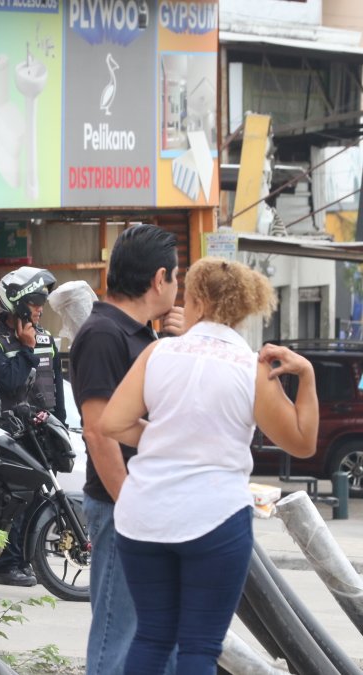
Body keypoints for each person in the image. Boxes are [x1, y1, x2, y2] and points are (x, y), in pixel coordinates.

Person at [100, 257, 318, 674]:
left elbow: (113, 422)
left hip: (144, 514)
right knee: (200, 646)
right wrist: (305, 375)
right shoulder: (252, 369)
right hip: (215, 517)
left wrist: (169, 439)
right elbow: (302, 442)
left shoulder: (158, 352)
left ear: (196, 300)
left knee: (151, 635)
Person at [69, 224, 185, 675]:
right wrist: (130, 503)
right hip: (124, 508)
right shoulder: (103, 334)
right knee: (118, 634)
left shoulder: (143, 334)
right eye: (176, 278)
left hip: (150, 504)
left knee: (158, 634)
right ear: (159, 279)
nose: (177, 288)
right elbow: (99, 431)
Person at [0, 266, 65, 587]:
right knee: (15, 500)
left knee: (41, 498)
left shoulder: (47, 340)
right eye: (35, 301)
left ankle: (26, 562)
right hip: (11, 432)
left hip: (43, 432)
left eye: (42, 301)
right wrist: (25, 349)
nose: (41, 308)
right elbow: (9, 382)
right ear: (17, 304)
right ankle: (6, 565)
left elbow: (56, 387)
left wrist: (62, 426)